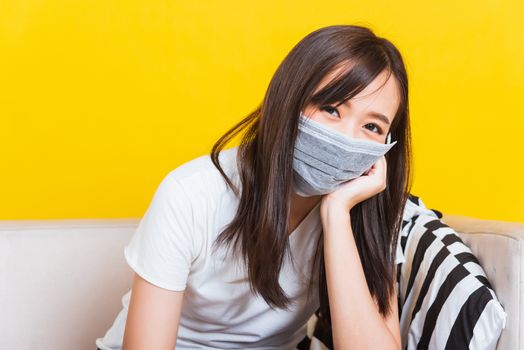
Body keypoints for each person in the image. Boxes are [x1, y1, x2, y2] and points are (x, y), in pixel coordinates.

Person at [96, 24, 411, 350]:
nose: (348, 137)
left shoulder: (366, 210)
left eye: (372, 126)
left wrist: (336, 216)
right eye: (331, 108)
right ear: (289, 101)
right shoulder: (190, 193)